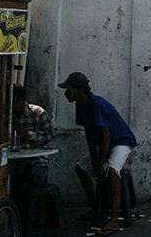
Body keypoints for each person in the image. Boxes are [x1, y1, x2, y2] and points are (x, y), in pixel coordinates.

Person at [59, 72, 137, 236]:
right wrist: (94, 161)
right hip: (105, 143)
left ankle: (114, 219)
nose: (66, 93)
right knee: (81, 168)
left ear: (80, 90)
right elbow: (89, 134)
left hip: (120, 142)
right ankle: (98, 206)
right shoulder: (80, 104)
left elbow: (105, 136)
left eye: (69, 89)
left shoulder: (97, 105)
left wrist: (101, 163)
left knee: (111, 172)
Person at [10, 84, 54, 214]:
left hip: (36, 158)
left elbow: (49, 136)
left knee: (36, 179)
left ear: (19, 100)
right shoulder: (7, 114)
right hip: (15, 159)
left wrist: (27, 134)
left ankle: (42, 214)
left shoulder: (38, 113)